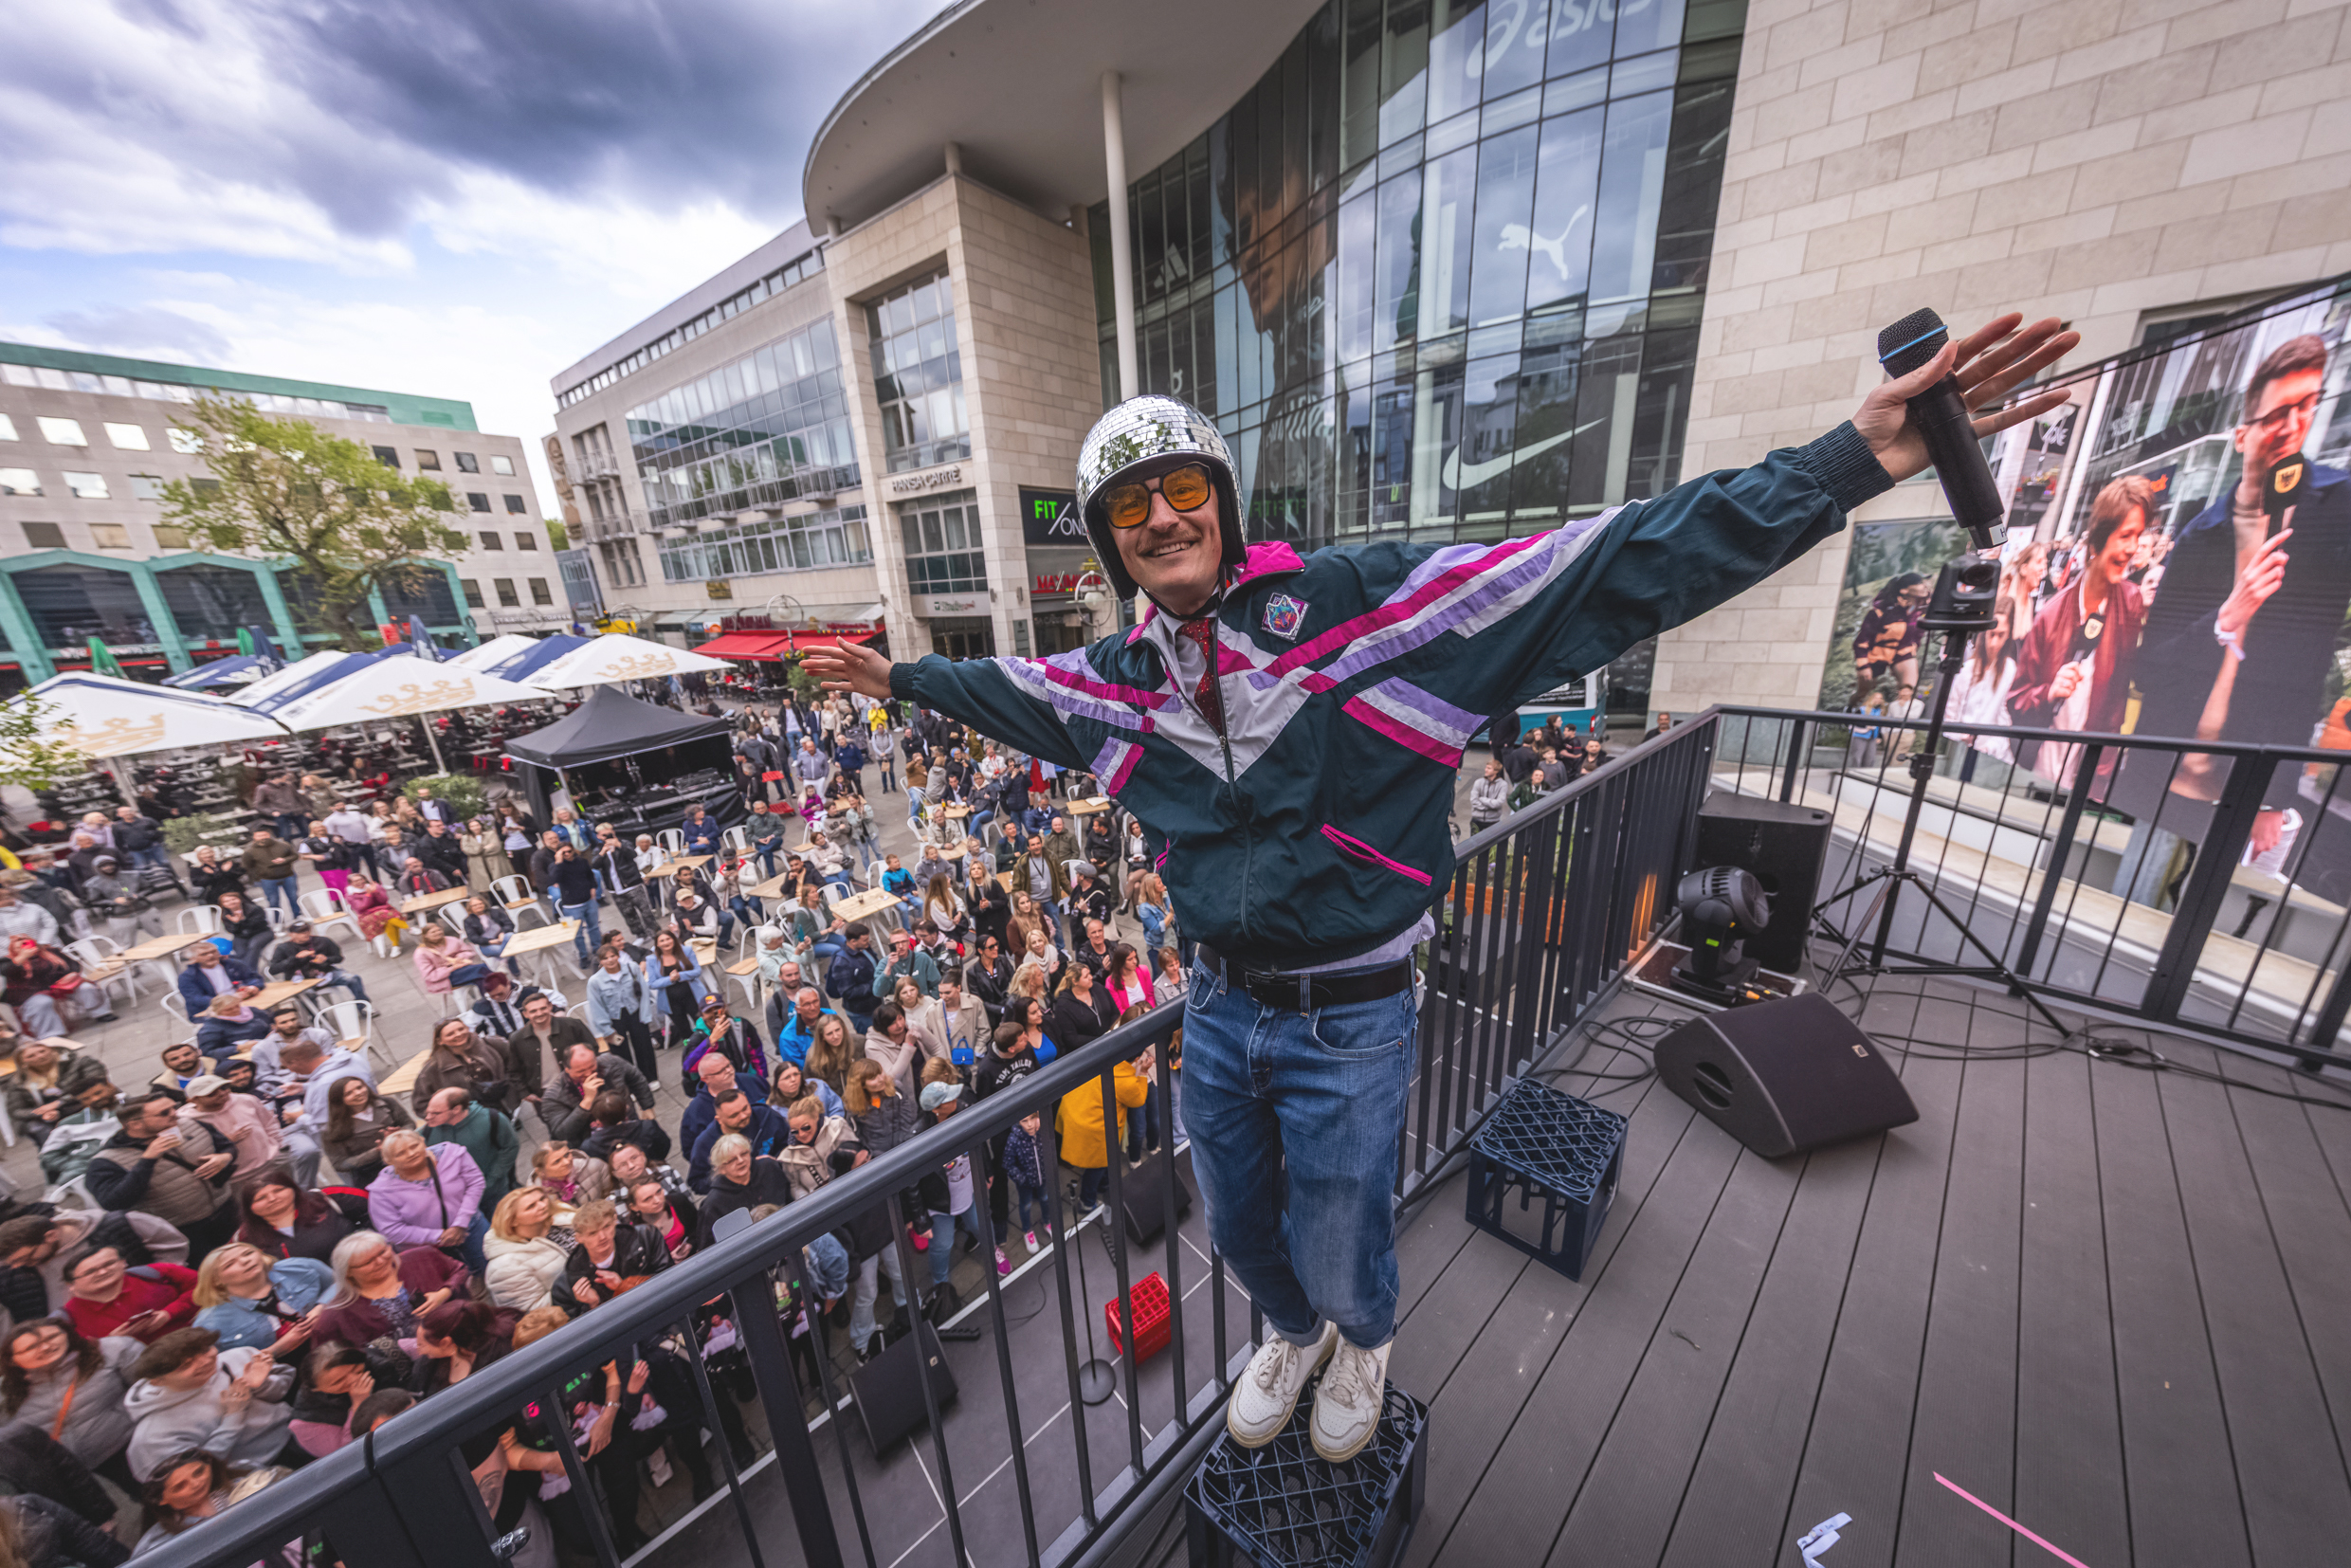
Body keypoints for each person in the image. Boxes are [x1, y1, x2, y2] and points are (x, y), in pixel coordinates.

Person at [799, 319, 2076, 1458]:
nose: (1160, 517)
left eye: (1182, 485)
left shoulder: (1374, 611)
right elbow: (1007, 691)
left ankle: (1359, 1338)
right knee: (1241, 1221)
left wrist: (1852, 461)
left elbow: (1618, 560)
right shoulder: (1116, 682)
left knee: (1350, 1217)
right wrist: (900, 681)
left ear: (1226, 503)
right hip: (1220, 1012)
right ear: (1112, 544)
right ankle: (1291, 1332)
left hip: (1353, 1011)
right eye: (1129, 508)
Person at [2009, 475, 2152, 790]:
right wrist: (2049, 691)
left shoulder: (2130, 601)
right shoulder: (2051, 614)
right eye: (2125, 535)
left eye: (2138, 536)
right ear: (2099, 539)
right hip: (2044, 761)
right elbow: (2016, 702)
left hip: (2093, 770)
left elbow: (2125, 687)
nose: (2132, 548)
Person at [123, 1327, 295, 1481]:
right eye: (186, 1365)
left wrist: (261, 1385)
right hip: (254, 1474)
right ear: (158, 1381)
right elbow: (198, 1472)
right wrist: (233, 1416)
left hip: (292, 1432)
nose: (205, 1362)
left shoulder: (236, 1357)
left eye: (205, 1350)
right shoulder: (153, 1435)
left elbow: (284, 1388)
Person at [86, 1095, 242, 1262]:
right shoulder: (107, 1161)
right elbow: (113, 1202)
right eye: (164, 1113)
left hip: (227, 1212)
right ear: (135, 1124)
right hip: (183, 1232)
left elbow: (225, 1145)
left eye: (174, 1107)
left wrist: (225, 1157)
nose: (175, 1114)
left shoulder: (191, 1125)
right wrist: (147, 1161)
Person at [366, 1130, 487, 1275]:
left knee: (488, 1264)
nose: (411, 1154)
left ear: (423, 1142)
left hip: (471, 1226)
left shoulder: (453, 1155)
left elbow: (475, 1183)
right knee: (452, 1280)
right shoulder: (381, 1191)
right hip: (425, 1245)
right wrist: (438, 1236)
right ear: (389, 1161)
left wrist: (460, 1223)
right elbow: (391, 1230)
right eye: (400, 1153)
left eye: (414, 1146)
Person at [189, 1244, 331, 1353]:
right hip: (277, 1372)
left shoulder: (299, 1267)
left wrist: (322, 1307)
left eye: (248, 1253)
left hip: (332, 1338)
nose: (245, 1261)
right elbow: (217, 1367)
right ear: (216, 1281)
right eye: (230, 1264)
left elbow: (342, 1285)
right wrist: (275, 1351)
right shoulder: (209, 1323)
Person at [423, 1086, 521, 1208]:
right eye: (427, 1112)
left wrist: (491, 1180)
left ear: (456, 1109)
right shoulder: (426, 1132)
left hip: (494, 1195)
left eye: (435, 1113)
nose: (428, 1117)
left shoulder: (492, 1119)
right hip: (460, 1204)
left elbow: (510, 1147)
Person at [5, 1038, 109, 1146]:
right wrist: (41, 1114)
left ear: (51, 1051)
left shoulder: (80, 1062)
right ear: (23, 1063)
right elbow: (16, 1110)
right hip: (51, 1116)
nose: (40, 1056)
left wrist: (59, 1103)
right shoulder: (19, 1081)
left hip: (81, 1104)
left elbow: (95, 1082)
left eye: (42, 1051)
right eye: (31, 1056)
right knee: (37, 1128)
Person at [233, 1171, 354, 1264]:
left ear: (293, 1189)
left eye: (278, 1190)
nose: (272, 1199)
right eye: (261, 1198)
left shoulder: (327, 1197)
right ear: (250, 1207)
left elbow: (370, 1207)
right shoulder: (243, 1237)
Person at [482, 1188, 569, 1311]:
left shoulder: (556, 1219)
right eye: (531, 1206)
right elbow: (532, 1310)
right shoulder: (504, 1268)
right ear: (513, 1221)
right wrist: (578, 1280)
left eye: (542, 1199)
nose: (543, 1205)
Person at [239, 828, 301, 920]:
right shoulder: (250, 851)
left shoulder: (283, 845)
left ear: (269, 835)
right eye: (259, 836)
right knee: (273, 901)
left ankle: (298, 916)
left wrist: (284, 860)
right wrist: (258, 877)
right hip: (267, 879)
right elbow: (247, 866)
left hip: (288, 875)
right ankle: (278, 921)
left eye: (264, 835)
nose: (262, 837)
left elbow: (295, 856)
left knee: (293, 897)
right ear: (254, 837)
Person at [343, 872, 405, 951]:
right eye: (355, 881)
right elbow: (361, 907)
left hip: (383, 911)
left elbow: (384, 900)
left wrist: (376, 892)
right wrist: (368, 894)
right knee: (386, 915)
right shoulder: (351, 895)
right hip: (367, 916)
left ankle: (395, 946)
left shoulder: (374, 887)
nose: (359, 882)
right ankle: (408, 928)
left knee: (388, 920)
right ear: (351, 883)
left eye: (361, 879)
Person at [1468, 758, 1509, 832]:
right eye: (1486, 767)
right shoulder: (1478, 782)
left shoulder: (1503, 784)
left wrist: (1482, 799)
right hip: (1477, 820)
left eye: (1489, 768)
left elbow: (1499, 803)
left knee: (1493, 844)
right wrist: (1489, 806)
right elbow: (1473, 800)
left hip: (1493, 821)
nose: (1486, 770)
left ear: (1496, 771)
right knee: (1475, 843)